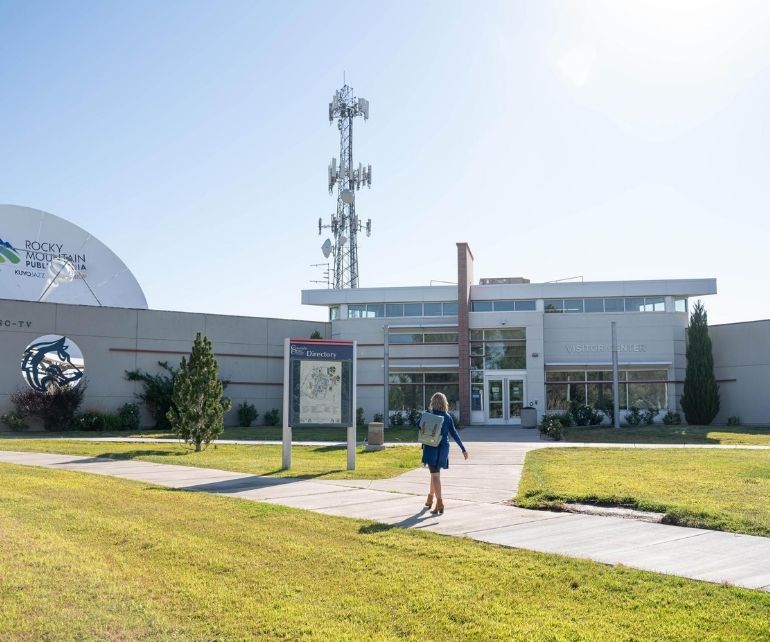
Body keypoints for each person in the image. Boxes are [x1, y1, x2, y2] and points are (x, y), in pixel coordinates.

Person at [422, 392, 468, 515]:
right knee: (435, 474)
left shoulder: (428, 415)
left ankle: (440, 502)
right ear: (444, 403)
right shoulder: (447, 417)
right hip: (444, 448)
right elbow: (454, 433)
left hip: (432, 447)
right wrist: (463, 448)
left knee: (435, 475)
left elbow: (419, 426)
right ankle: (430, 499)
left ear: (433, 402)